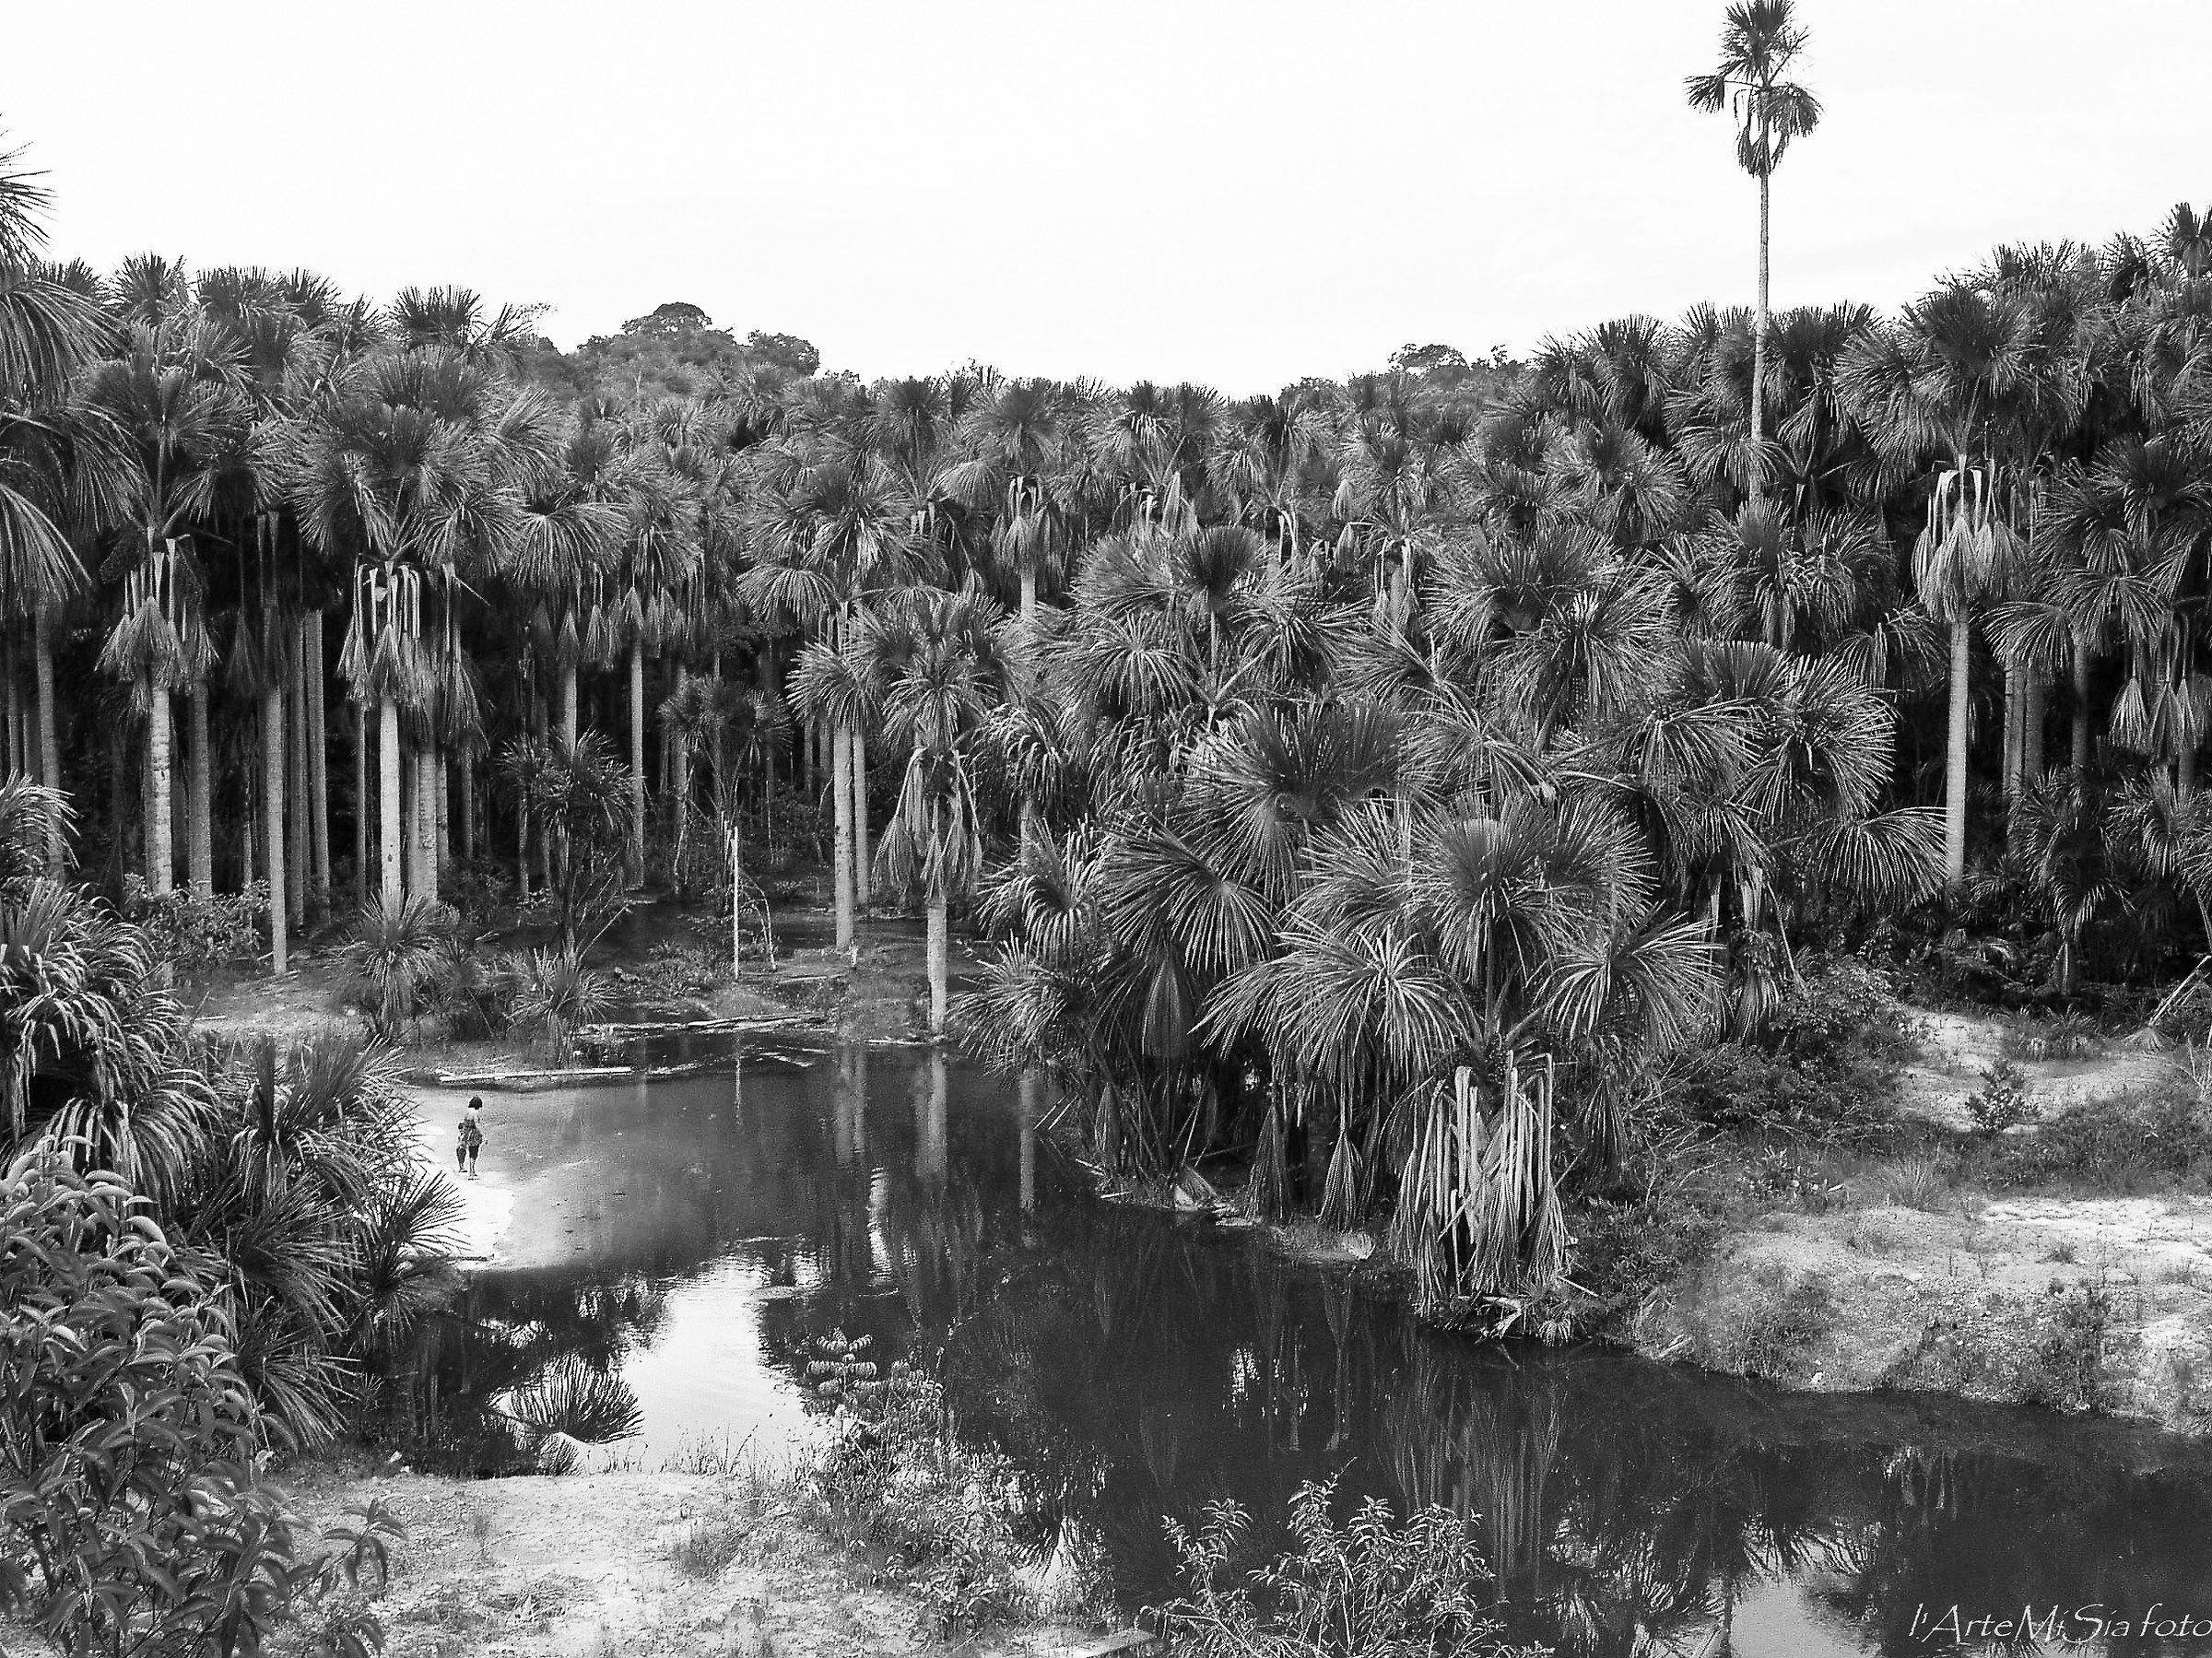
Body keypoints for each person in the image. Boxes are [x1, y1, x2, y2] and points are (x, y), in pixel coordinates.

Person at [457, 1098, 485, 1178]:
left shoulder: (467, 1112)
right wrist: (483, 1135)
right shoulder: (475, 1113)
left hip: (467, 1133)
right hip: (474, 1134)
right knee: (474, 1153)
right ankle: (472, 1172)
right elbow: (477, 1125)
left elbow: (465, 1124)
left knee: (468, 1151)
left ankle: (467, 1169)